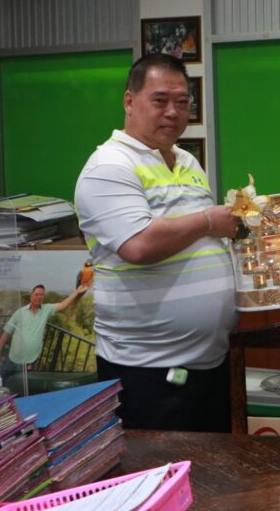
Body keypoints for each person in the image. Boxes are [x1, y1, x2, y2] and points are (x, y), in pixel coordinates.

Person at [74, 53, 240, 432]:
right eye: (160, 100)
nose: (173, 112)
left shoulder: (187, 161)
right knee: (157, 466)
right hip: (147, 370)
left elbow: (199, 237)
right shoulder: (109, 166)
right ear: (129, 102)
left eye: (182, 102)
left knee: (213, 467)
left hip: (209, 362)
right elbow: (139, 245)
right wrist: (210, 220)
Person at [0, 283, 89, 375]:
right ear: (31, 295)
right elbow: (7, 332)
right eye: (36, 294)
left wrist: (77, 292)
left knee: (27, 385)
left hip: (31, 361)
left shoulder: (46, 310)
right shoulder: (20, 312)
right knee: (5, 381)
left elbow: (63, 304)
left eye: (41, 295)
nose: (39, 297)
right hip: (14, 359)